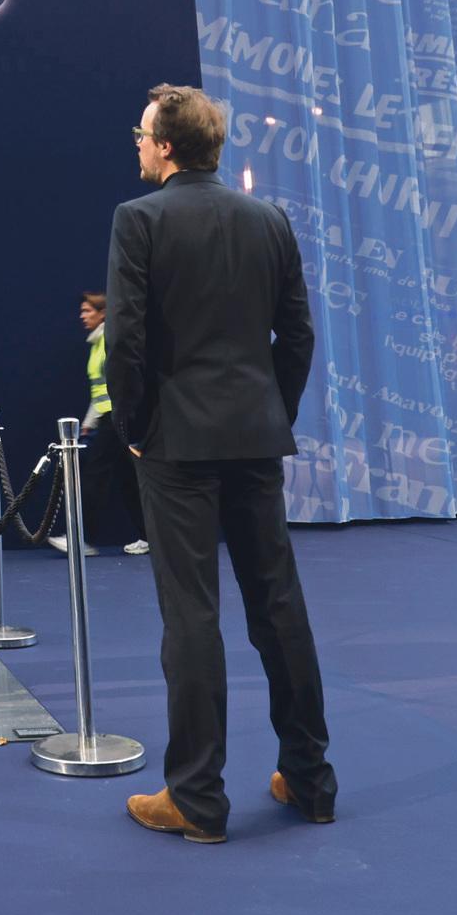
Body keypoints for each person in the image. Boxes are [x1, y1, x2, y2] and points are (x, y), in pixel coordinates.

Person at [104, 83, 333, 844]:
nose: (135, 143)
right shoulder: (268, 220)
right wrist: (274, 413)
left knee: (191, 614)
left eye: (140, 133)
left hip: (176, 443)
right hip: (255, 437)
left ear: (166, 145)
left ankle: (197, 797)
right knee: (279, 605)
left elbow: (127, 342)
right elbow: (296, 336)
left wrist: (135, 428)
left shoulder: (138, 220)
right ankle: (311, 778)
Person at [53, 292, 145, 556]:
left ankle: (80, 538)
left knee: (94, 476)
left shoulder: (108, 341)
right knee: (128, 480)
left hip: (115, 419)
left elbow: (123, 381)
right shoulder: (96, 343)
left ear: (103, 314)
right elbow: (101, 389)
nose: (83, 316)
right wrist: (89, 421)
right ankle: (151, 536)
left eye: (88, 311)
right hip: (108, 418)